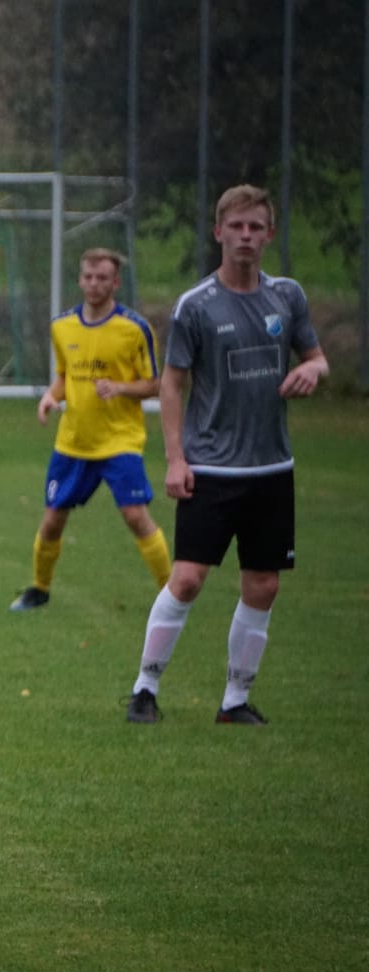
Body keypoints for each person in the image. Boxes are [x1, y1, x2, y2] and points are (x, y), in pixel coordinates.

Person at [124, 185, 328, 726]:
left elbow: (317, 356)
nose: (245, 236)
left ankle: (235, 700)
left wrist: (313, 368)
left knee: (264, 584)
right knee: (188, 577)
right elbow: (172, 385)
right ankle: (144, 689)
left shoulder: (287, 297)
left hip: (271, 468)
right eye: (235, 226)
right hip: (211, 467)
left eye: (255, 227)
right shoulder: (196, 306)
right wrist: (175, 458)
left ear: (269, 234)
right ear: (218, 232)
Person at [9, 249, 170, 612]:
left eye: (102, 278)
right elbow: (66, 376)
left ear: (115, 282)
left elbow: (155, 384)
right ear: (80, 280)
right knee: (52, 520)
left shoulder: (134, 329)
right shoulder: (62, 326)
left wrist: (120, 388)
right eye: (88, 277)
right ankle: (39, 589)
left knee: (135, 515)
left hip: (119, 440)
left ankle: (172, 594)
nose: (94, 284)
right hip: (74, 441)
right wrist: (50, 397)